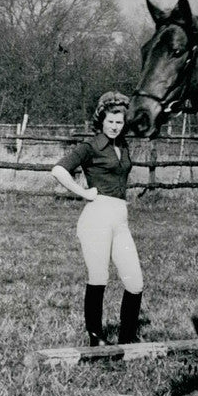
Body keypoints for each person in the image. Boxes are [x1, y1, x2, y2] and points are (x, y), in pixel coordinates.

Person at [51, 91, 143, 346]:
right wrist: (83, 192)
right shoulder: (90, 146)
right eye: (111, 121)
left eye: (119, 122)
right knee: (99, 277)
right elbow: (58, 170)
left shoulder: (122, 146)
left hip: (120, 219)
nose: (114, 126)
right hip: (96, 218)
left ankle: (127, 338)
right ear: (101, 120)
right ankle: (97, 338)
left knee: (134, 281)